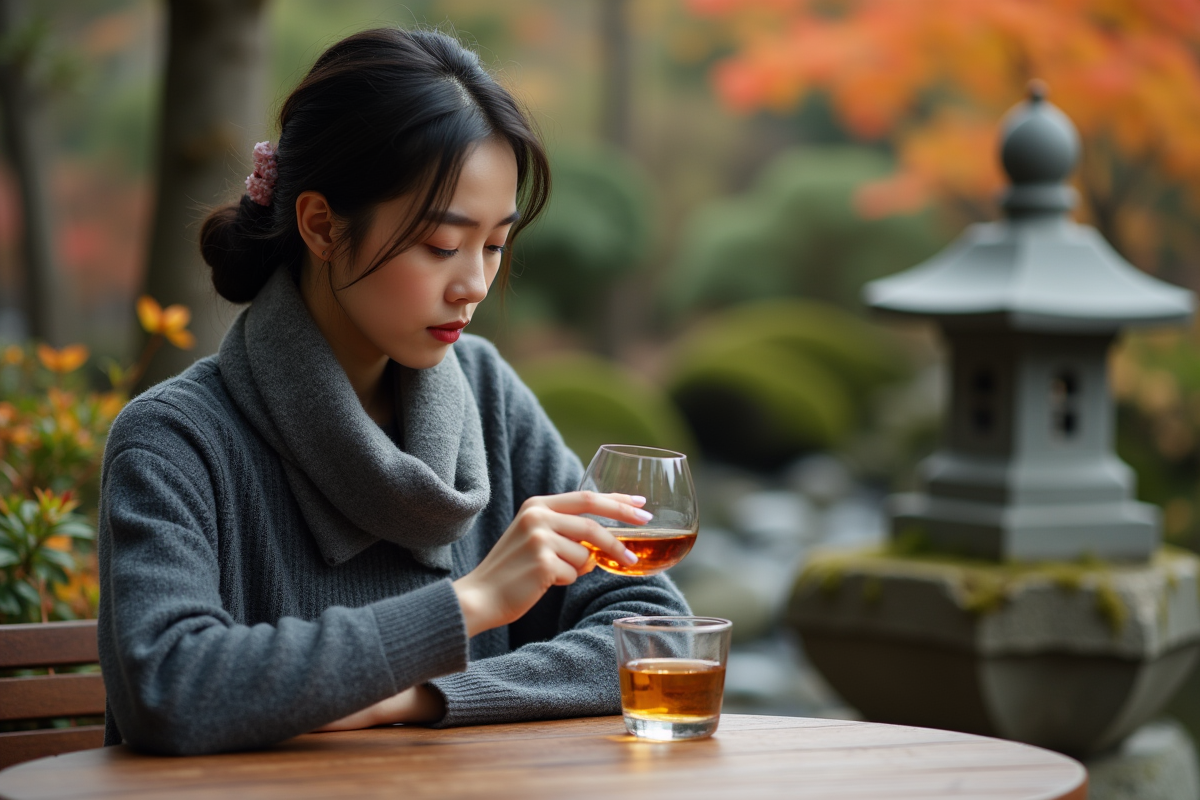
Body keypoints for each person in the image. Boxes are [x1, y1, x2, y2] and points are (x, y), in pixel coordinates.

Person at [96, 27, 690, 756]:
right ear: (320, 224)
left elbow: (649, 627)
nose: (474, 283)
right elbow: (172, 688)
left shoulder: (487, 393)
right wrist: (470, 603)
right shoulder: (177, 438)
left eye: (495, 244)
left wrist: (416, 698)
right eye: (441, 245)